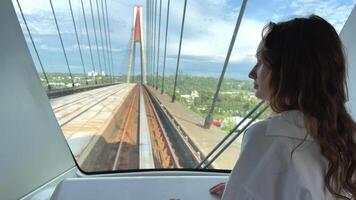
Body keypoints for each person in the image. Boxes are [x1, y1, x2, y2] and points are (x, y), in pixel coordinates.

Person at [211, 15, 356, 199]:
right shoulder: (348, 138)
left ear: (287, 72)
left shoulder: (265, 137)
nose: (252, 73)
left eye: (261, 61)